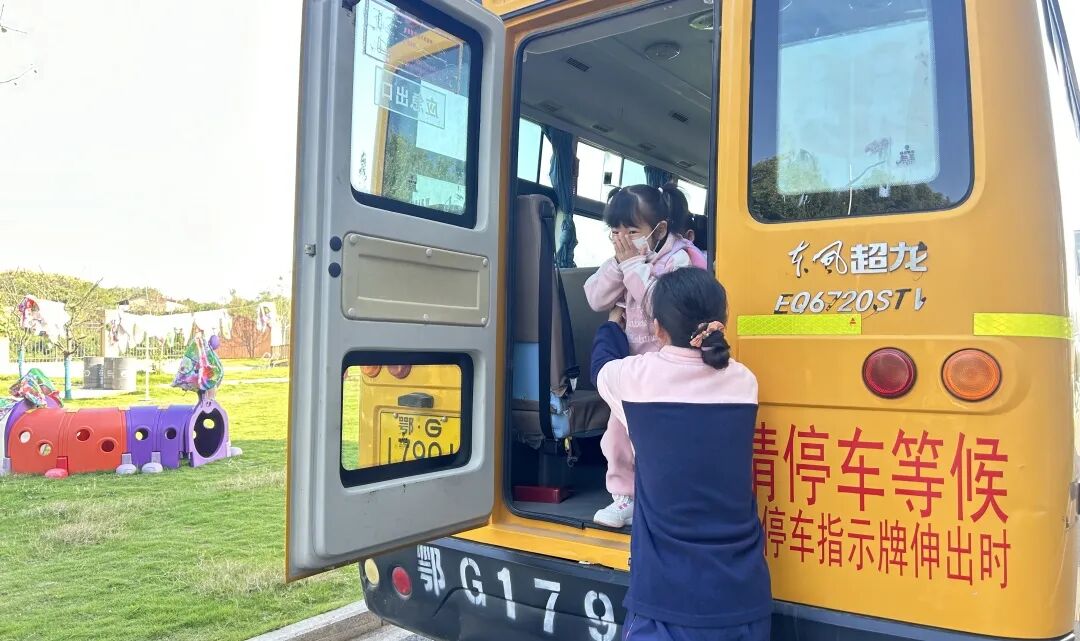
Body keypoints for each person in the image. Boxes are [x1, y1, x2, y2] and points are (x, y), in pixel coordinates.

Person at [591, 268, 771, 640]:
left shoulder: (634, 379)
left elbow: (600, 366)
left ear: (657, 329)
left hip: (666, 600)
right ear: (724, 320)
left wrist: (612, 324)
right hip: (744, 596)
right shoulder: (744, 382)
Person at [583, 183, 706, 527]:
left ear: (659, 229)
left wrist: (635, 265)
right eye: (615, 231)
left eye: (631, 230)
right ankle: (624, 497)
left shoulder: (678, 260)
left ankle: (660, 499)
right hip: (632, 369)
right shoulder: (623, 258)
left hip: (668, 368)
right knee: (617, 435)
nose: (622, 238)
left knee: (654, 440)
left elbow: (661, 309)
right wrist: (620, 263)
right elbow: (595, 298)